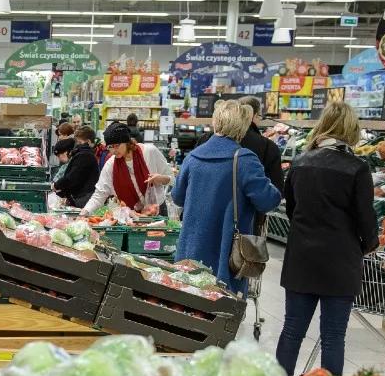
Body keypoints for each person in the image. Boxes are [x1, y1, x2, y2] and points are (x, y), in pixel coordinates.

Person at [275, 101, 379, 376]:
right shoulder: (357, 168)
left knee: (292, 329)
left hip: (301, 259)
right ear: (351, 129)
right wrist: (370, 244)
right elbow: (365, 217)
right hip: (340, 261)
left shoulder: (299, 162)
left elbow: (291, 206)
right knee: (333, 335)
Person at [171, 101, 281, 295]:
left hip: (191, 250)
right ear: (242, 126)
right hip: (228, 253)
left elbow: (177, 197)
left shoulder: (193, 157)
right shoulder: (245, 160)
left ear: (216, 122)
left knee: (189, 305)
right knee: (222, 309)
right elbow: (268, 200)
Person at [81, 124, 173, 215]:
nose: (113, 151)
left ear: (127, 142)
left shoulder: (149, 152)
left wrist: (160, 178)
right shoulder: (111, 164)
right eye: (110, 147)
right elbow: (99, 194)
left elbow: (171, 179)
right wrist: (84, 212)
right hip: (132, 215)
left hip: (157, 211)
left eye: (116, 145)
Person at [199, 96, 285, 193]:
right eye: (259, 116)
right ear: (253, 115)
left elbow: (180, 194)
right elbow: (274, 191)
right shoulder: (265, 147)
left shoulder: (203, 141)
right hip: (247, 206)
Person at [53, 126, 101, 208]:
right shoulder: (84, 154)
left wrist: (57, 185)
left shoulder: (85, 155)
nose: (76, 145)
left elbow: (72, 177)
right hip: (82, 198)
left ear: (88, 142)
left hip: (83, 199)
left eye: (79, 142)